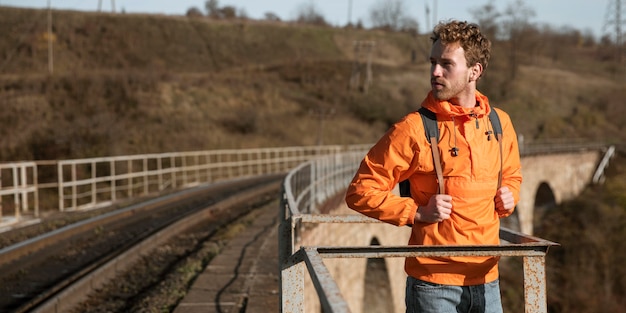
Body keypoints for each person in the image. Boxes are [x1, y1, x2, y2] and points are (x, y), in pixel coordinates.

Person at [345, 20, 522, 313]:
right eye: (433, 62)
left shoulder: (499, 123)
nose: (435, 72)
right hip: (433, 287)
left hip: (488, 281)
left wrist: (510, 196)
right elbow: (360, 191)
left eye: (446, 64)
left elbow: (512, 176)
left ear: (474, 71)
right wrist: (416, 212)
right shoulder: (413, 129)